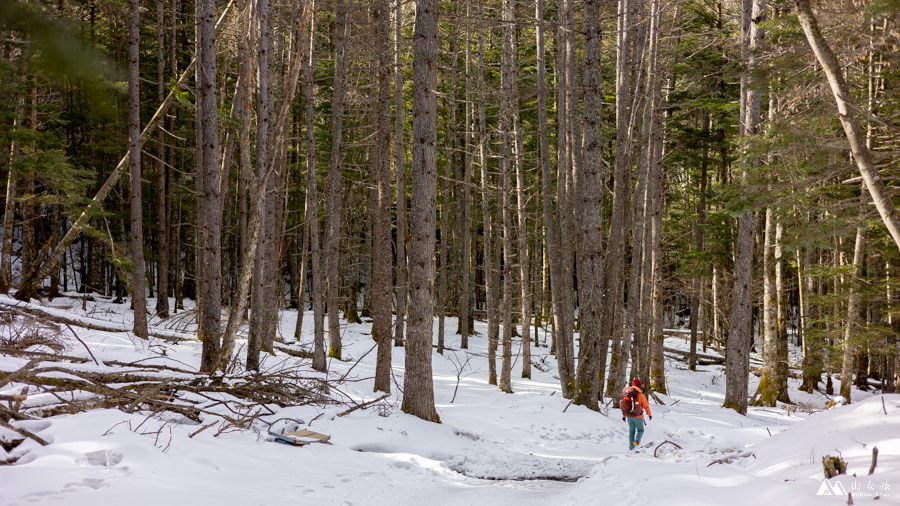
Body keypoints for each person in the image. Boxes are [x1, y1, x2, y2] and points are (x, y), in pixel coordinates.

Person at [622, 378, 652, 450]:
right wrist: (649, 414)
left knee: (631, 431)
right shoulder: (641, 395)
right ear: (640, 386)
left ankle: (631, 447)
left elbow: (625, 406)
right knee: (640, 430)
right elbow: (646, 406)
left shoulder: (627, 394)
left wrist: (624, 416)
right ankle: (637, 440)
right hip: (638, 416)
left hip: (629, 416)